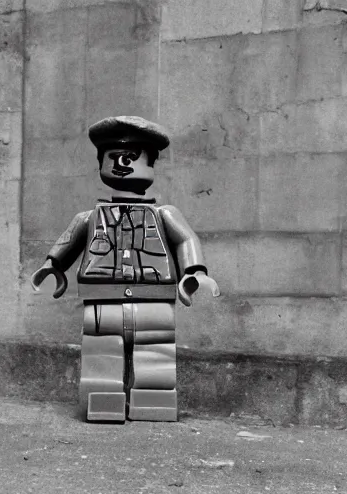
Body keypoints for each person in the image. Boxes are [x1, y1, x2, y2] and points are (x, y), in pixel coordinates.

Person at [31, 116, 219, 423]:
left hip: (154, 298)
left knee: (154, 355)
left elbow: (186, 239)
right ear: (101, 163)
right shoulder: (88, 217)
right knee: (100, 356)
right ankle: (103, 404)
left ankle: (153, 404)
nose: (121, 163)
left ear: (151, 163)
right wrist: (53, 266)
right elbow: (68, 243)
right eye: (114, 156)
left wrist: (195, 272)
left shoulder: (165, 214)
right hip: (101, 298)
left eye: (132, 157)